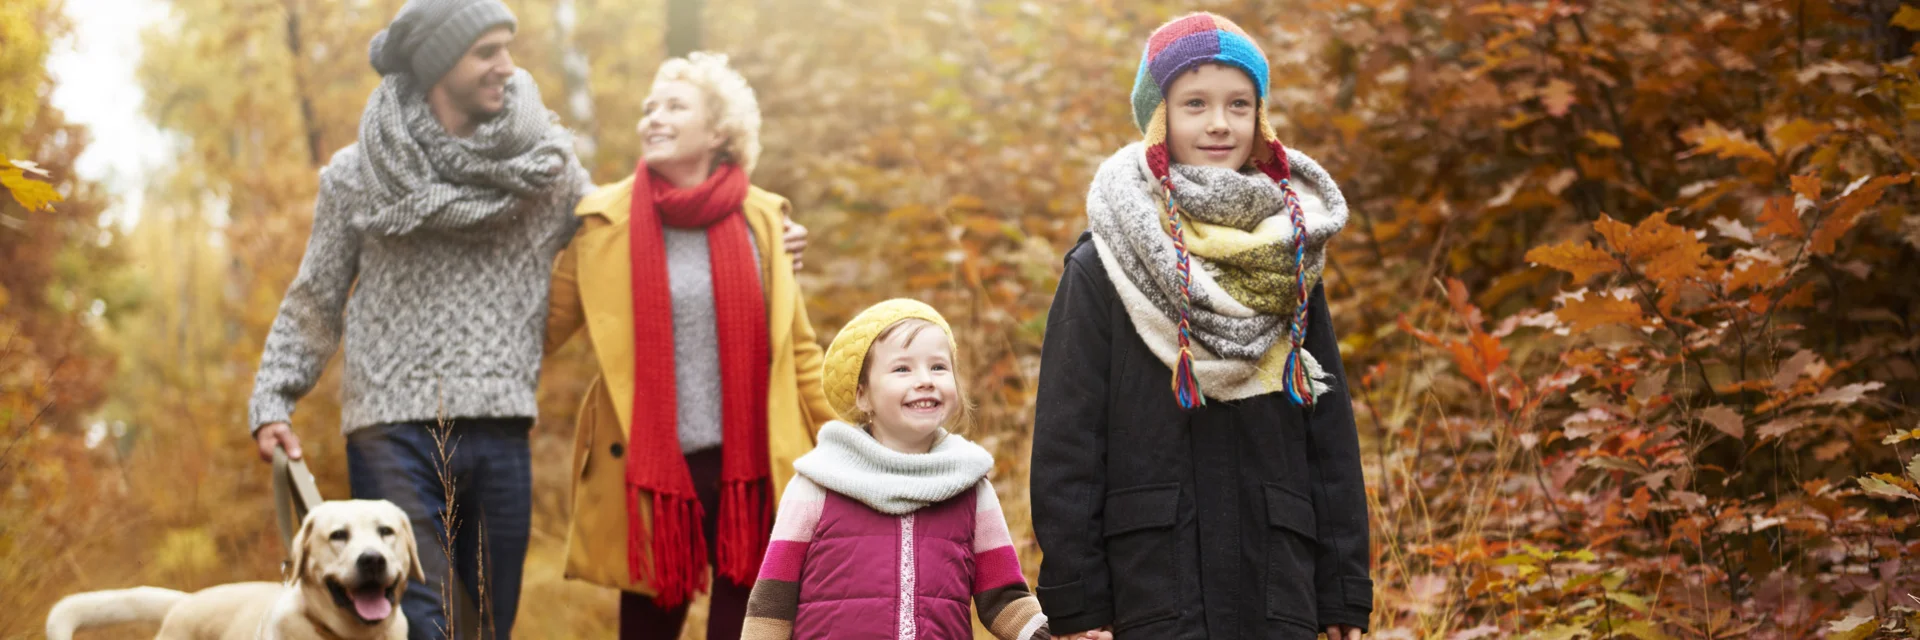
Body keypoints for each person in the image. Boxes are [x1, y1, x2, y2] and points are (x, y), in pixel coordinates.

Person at [1028, 12, 1373, 640]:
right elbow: (1067, 443)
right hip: (1153, 587)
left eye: (1238, 103)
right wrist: (1077, 604)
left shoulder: (1290, 257)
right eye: (1195, 103)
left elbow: (1328, 435)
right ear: (1160, 119)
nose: (1219, 122)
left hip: (1277, 582)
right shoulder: (1104, 262)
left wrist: (1343, 590)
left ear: (1259, 118)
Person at [247, 1, 584, 637]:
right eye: (487, 52)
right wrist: (273, 398)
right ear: (439, 66)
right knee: (418, 622)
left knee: (486, 624)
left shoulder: (547, 169)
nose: (507, 68)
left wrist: (756, 219)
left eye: (507, 49)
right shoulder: (359, 173)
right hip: (391, 429)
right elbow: (316, 297)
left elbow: (620, 232)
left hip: (501, 424)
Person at [543, 51, 836, 640]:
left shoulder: (766, 222)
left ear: (720, 130)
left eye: (675, 106)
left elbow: (799, 352)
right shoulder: (602, 223)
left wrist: (855, 445)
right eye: (649, 107)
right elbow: (539, 331)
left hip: (751, 476)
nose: (653, 117)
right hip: (653, 478)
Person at [739, 299, 1058, 640]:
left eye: (938, 367)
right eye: (902, 369)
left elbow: (1003, 598)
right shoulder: (818, 484)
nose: (925, 380)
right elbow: (772, 602)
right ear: (863, 396)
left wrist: (1049, 635)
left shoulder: (969, 487)